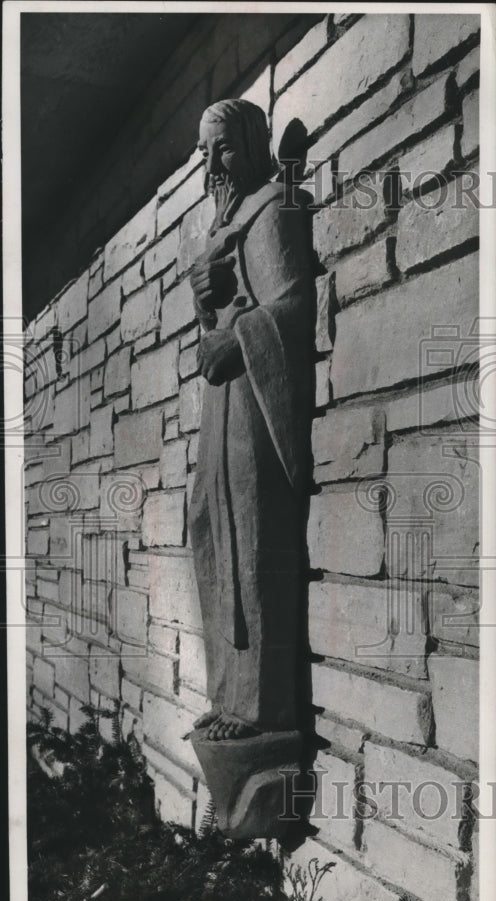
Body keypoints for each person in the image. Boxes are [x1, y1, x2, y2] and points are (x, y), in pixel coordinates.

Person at [189, 99, 314, 743]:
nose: (213, 163)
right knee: (208, 527)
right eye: (206, 150)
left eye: (226, 148)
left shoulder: (275, 209)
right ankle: (226, 694)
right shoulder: (224, 221)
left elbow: (291, 304)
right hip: (222, 401)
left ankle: (261, 709)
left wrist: (232, 340)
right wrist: (205, 304)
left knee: (251, 531)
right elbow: (224, 312)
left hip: (253, 406)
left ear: (255, 145)